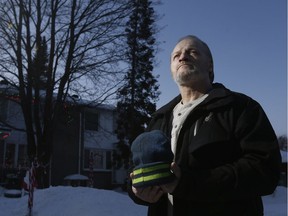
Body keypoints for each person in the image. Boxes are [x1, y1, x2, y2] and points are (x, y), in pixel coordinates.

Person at [127, 35, 281, 216]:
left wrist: (188, 183)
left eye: (192, 52)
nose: (182, 57)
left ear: (210, 65)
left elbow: (264, 170)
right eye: (176, 56)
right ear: (171, 69)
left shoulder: (241, 107)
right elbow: (135, 169)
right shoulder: (159, 118)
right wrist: (137, 192)